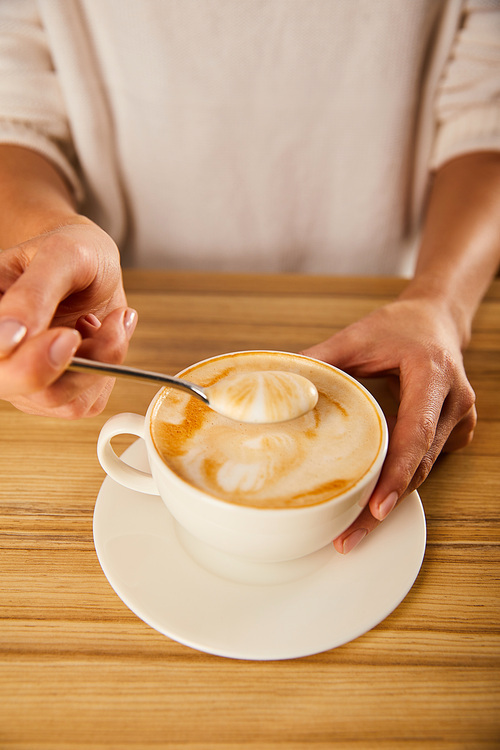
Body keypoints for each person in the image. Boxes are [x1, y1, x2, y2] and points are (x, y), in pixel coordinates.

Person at [0, 0, 499, 554]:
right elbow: (15, 115)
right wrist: (53, 234)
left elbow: (487, 116)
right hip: (129, 307)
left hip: (384, 303)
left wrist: (441, 303)